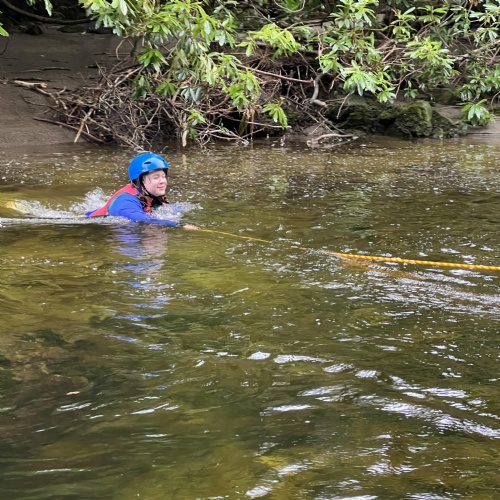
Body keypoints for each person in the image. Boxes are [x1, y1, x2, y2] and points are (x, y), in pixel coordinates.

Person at [85, 152, 198, 229]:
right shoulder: (125, 203)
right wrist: (180, 226)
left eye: (163, 176)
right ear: (139, 182)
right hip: (94, 228)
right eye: (156, 177)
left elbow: (167, 211)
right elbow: (143, 220)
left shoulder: (152, 194)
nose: (162, 181)